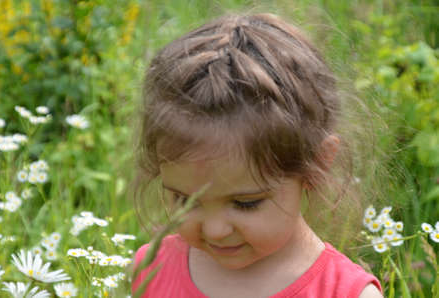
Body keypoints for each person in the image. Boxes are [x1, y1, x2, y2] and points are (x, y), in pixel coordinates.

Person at [132, 13, 383, 298]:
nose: (215, 230)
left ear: (317, 164)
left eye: (245, 203)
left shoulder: (344, 293)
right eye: (185, 200)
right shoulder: (151, 269)